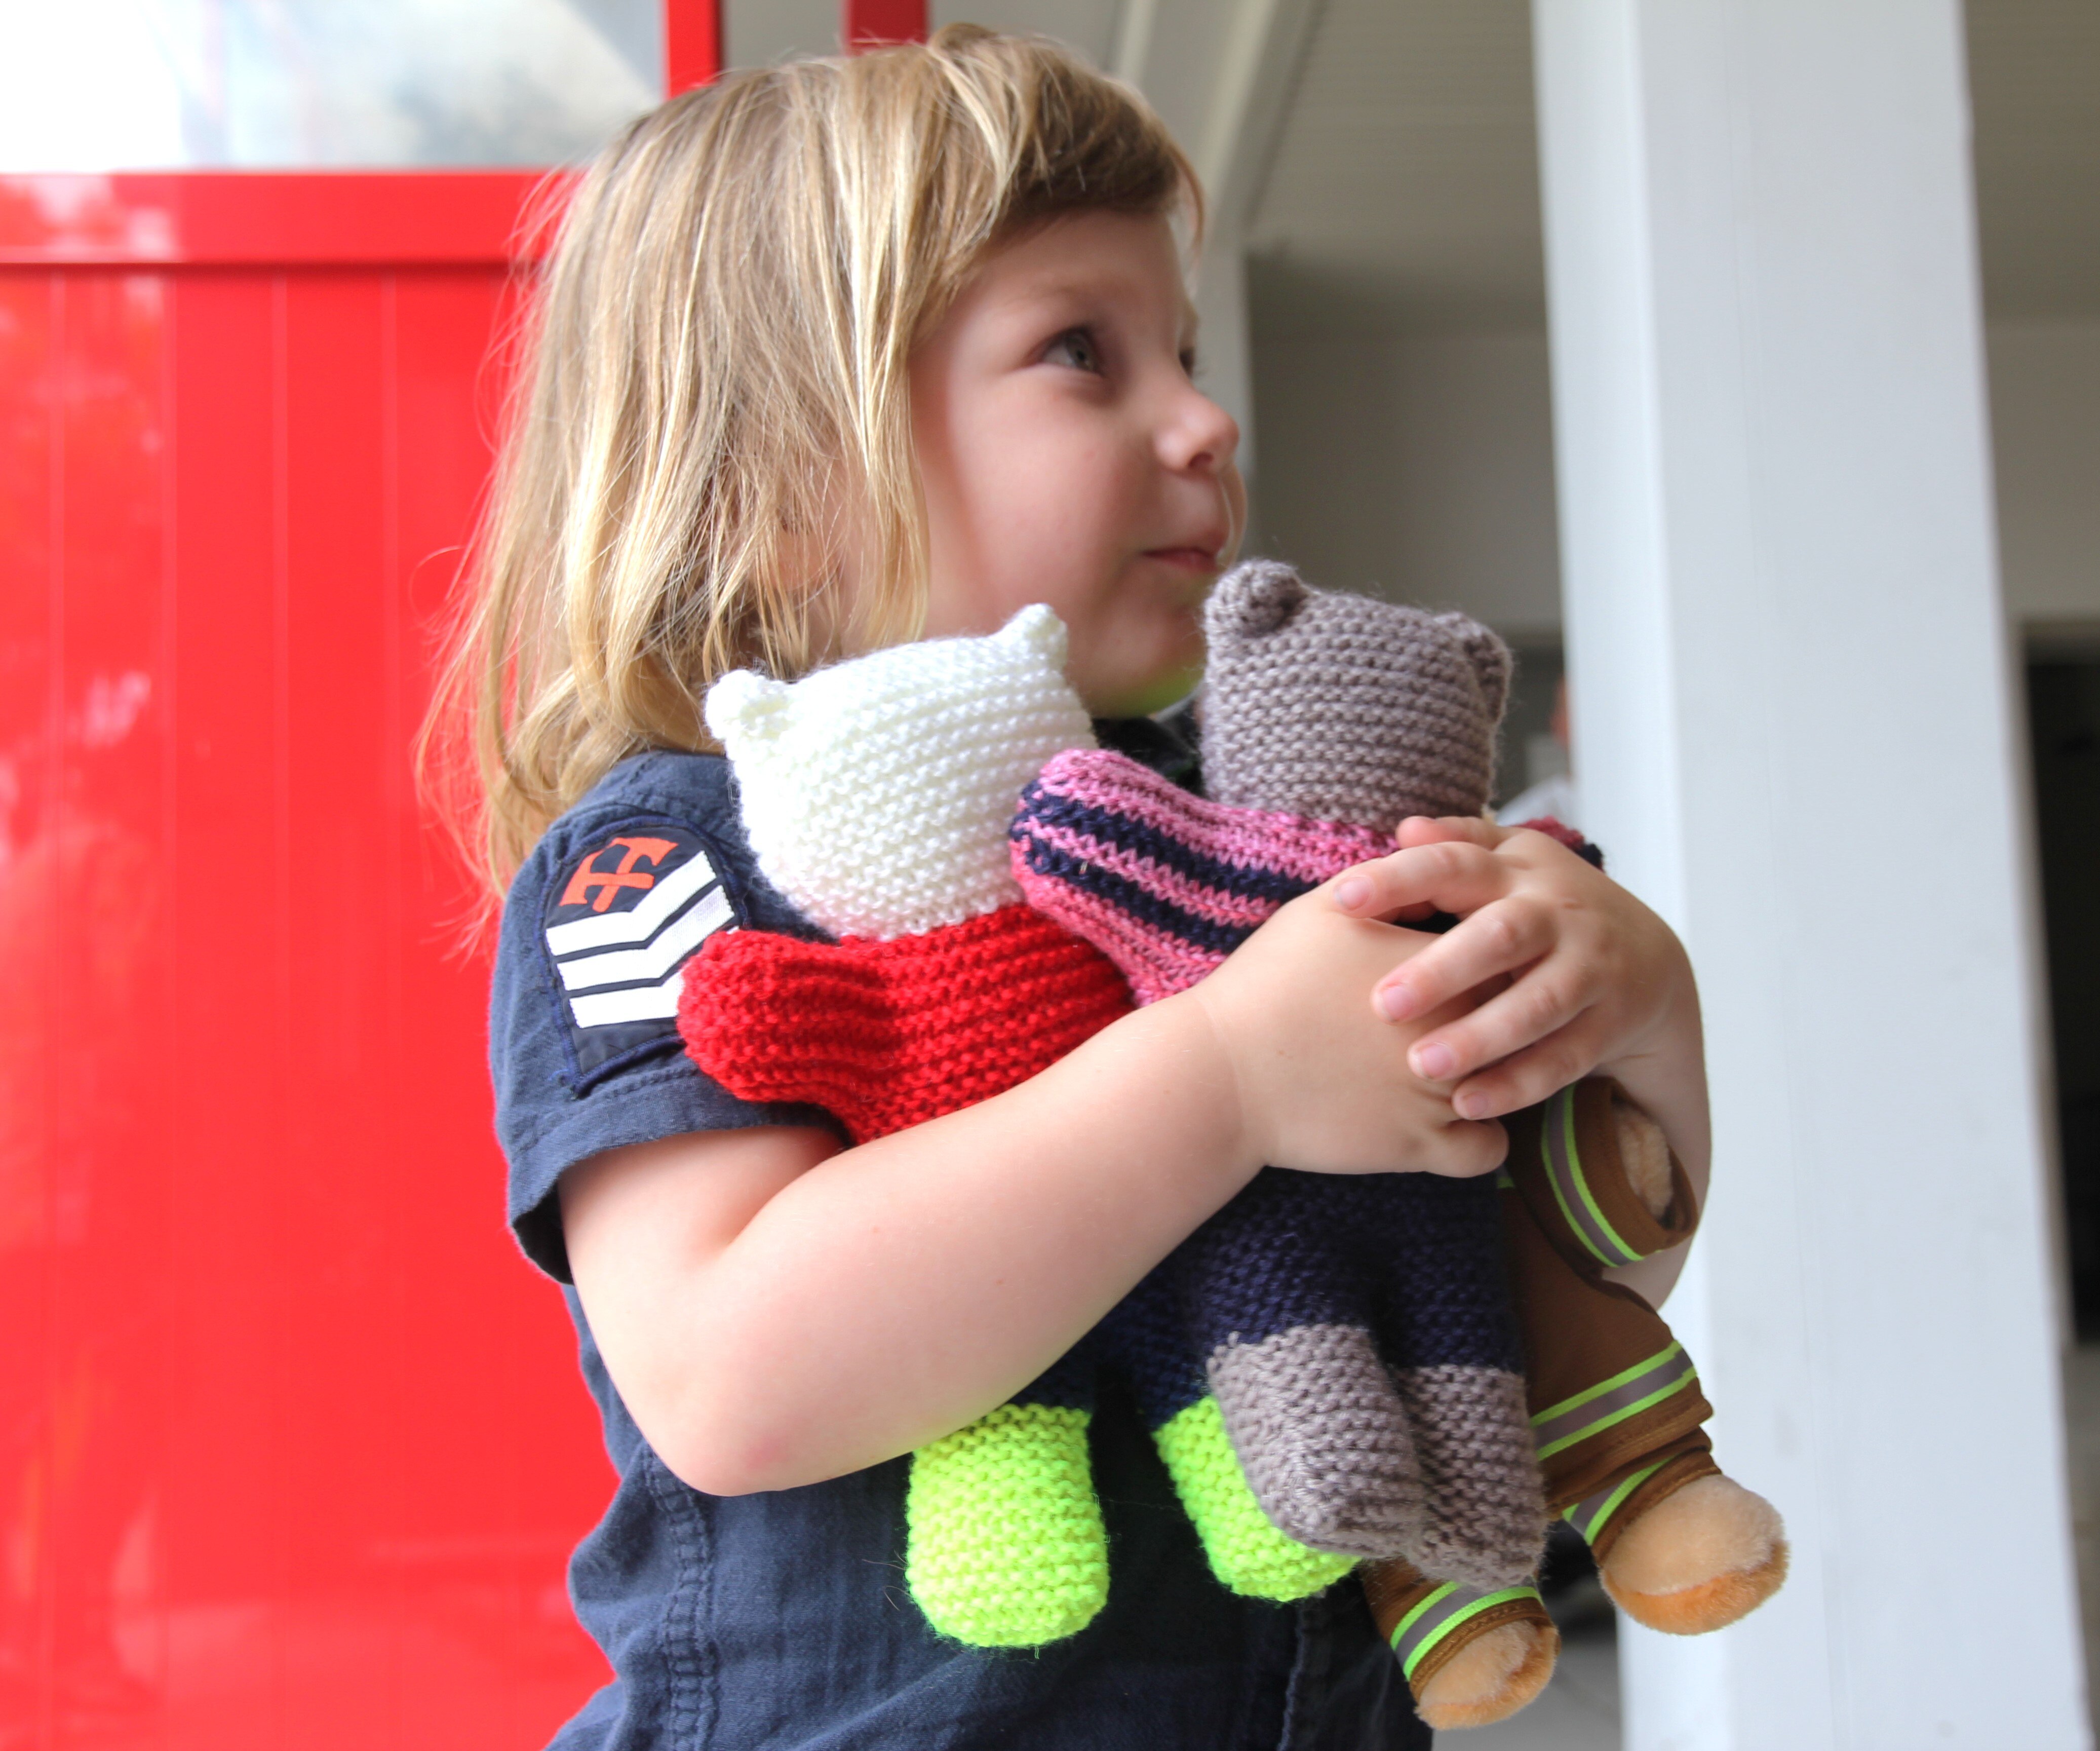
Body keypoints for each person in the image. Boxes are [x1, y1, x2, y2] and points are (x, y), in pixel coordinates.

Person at [428, 27, 1710, 1749]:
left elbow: (1544, 1258)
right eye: (1080, 355)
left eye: (1177, 347)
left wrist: (1635, 1023)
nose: (1203, 415)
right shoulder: (666, 855)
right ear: (782, 484)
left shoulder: (1246, 810)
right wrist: (1229, 1079)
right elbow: (736, 1377)